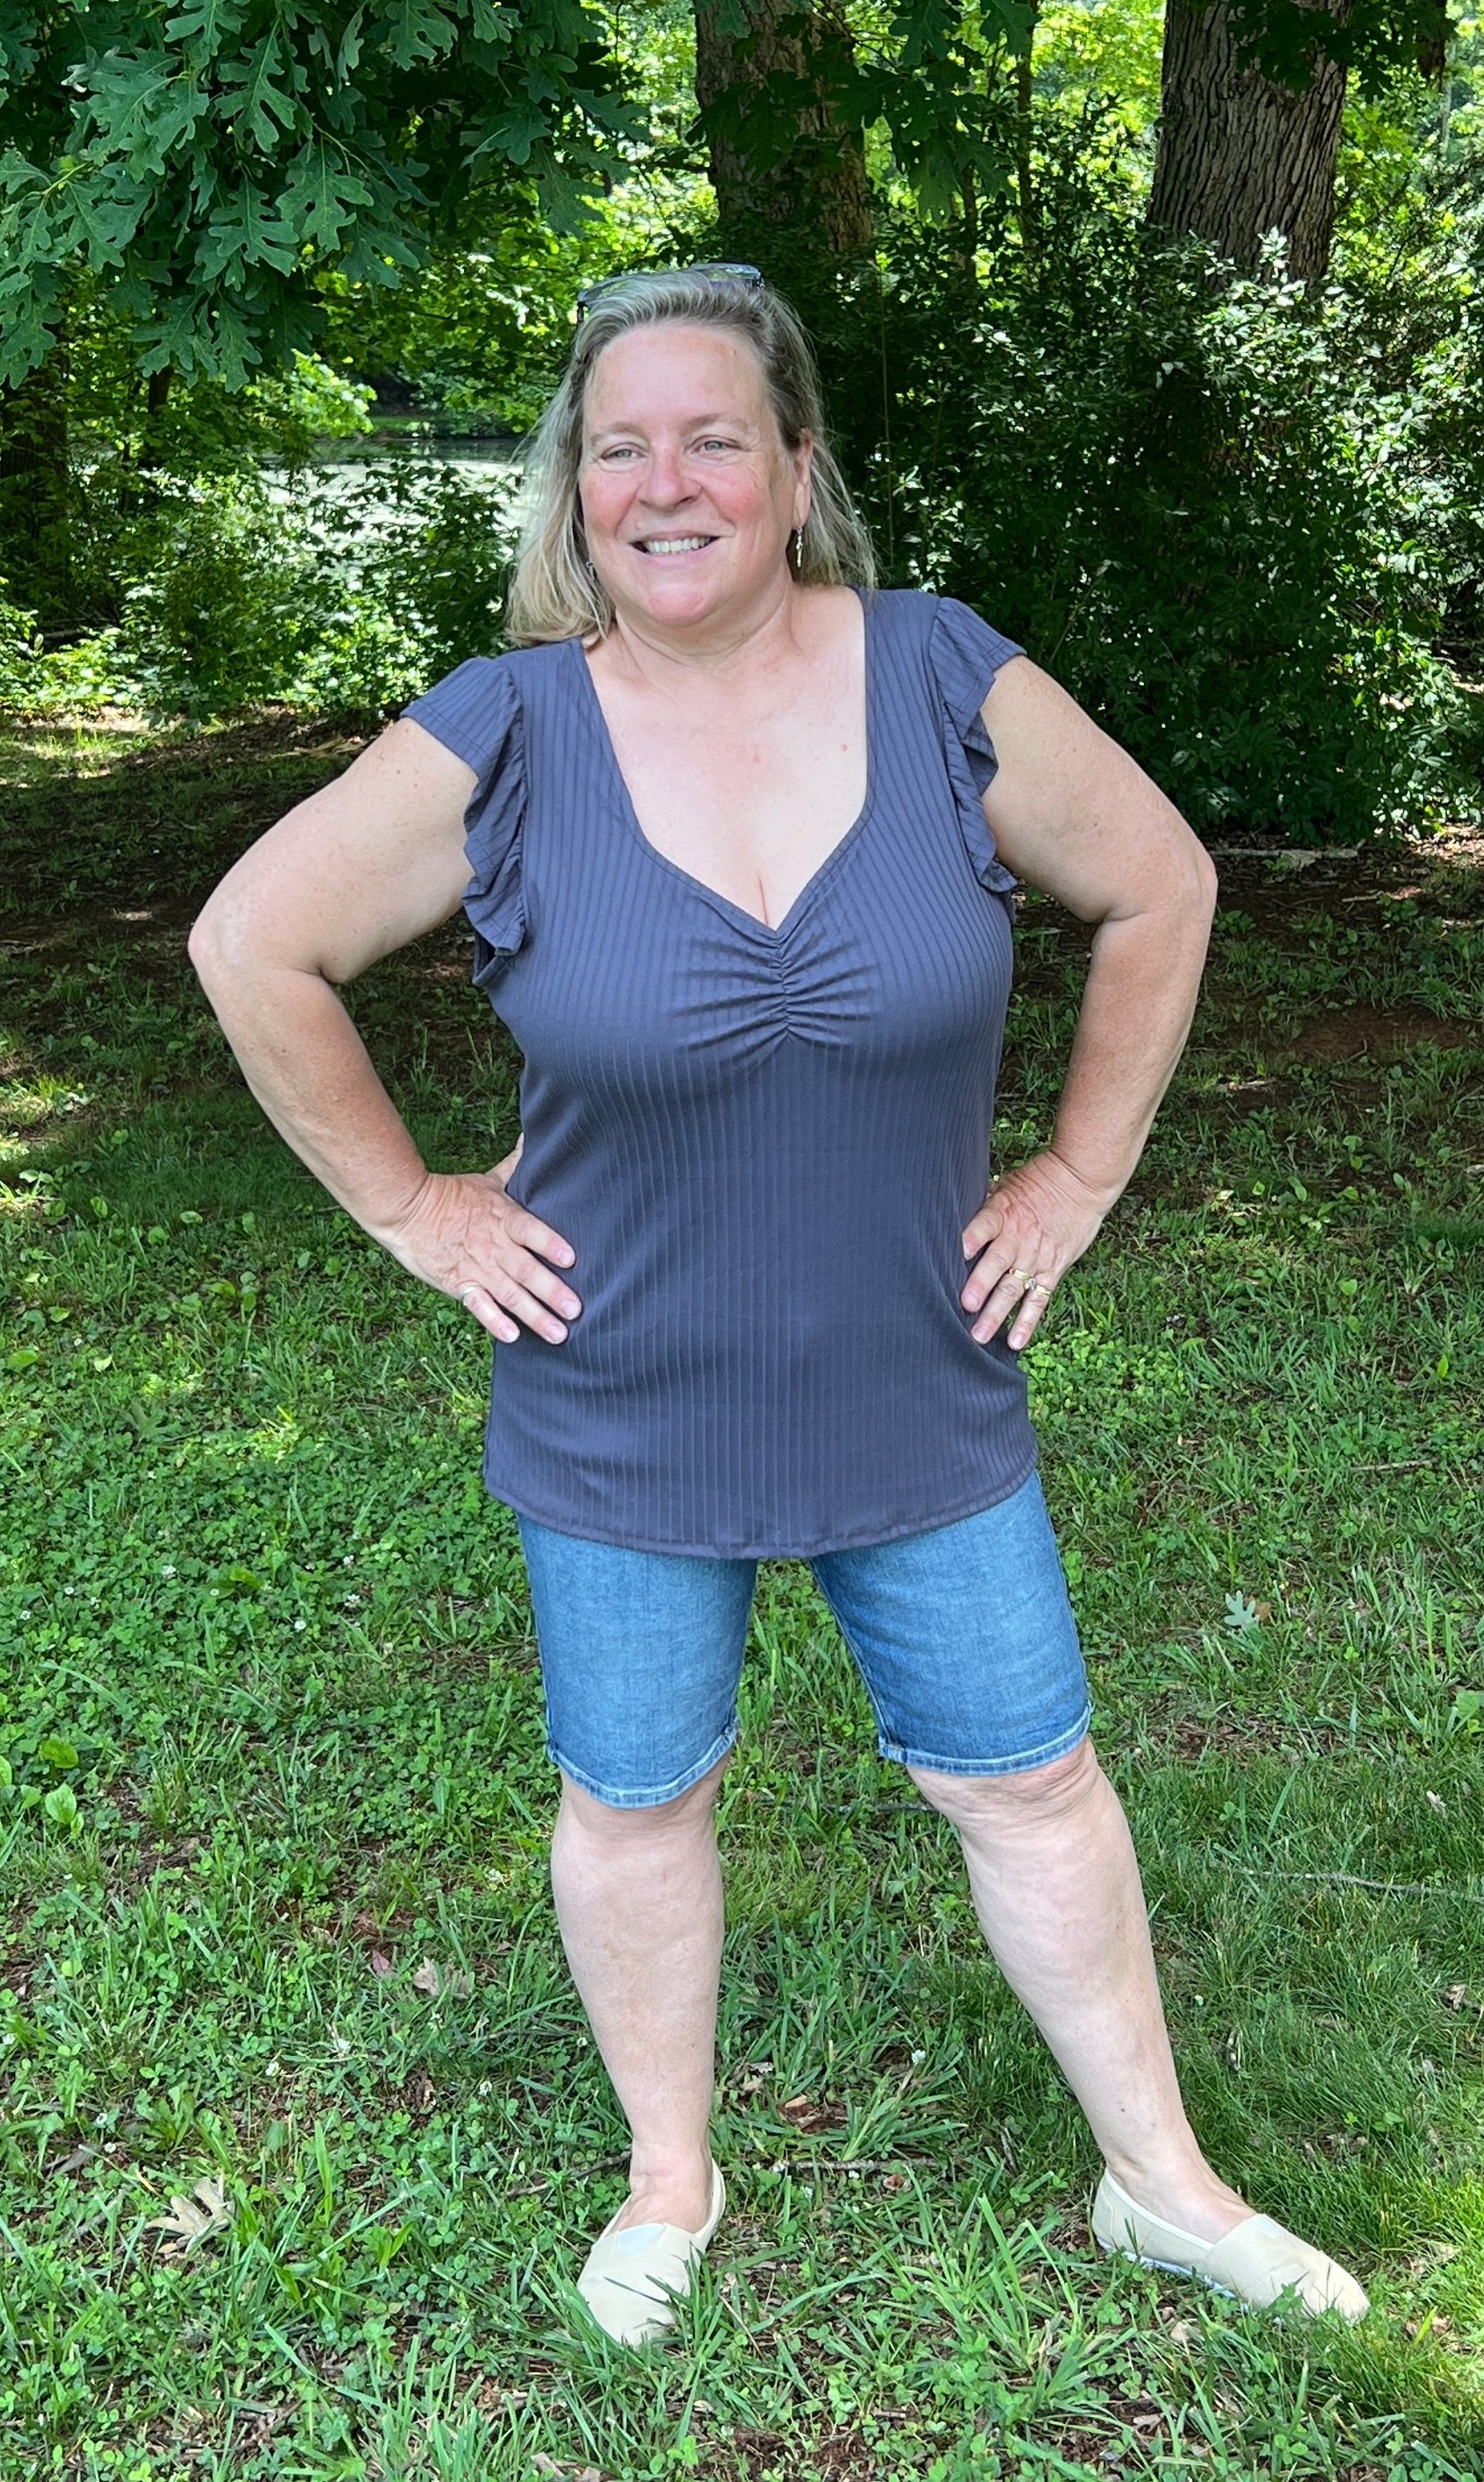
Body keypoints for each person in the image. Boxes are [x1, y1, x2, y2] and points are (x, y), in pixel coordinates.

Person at [189, 264, 1368, 2347]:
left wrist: (1076, 1175)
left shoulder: (937, 677)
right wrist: (413, 1208)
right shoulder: (505, 730)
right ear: (576, 488)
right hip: (620, 1392)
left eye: (711, 437)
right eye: (618, 446)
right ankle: (671, 2180)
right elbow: (249, 943)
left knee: (1028, 1782)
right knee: (636, 1797)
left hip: (918, 1378)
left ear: (794, 469)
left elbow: (1158, 884)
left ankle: (1161, 2186)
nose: (665, 483)